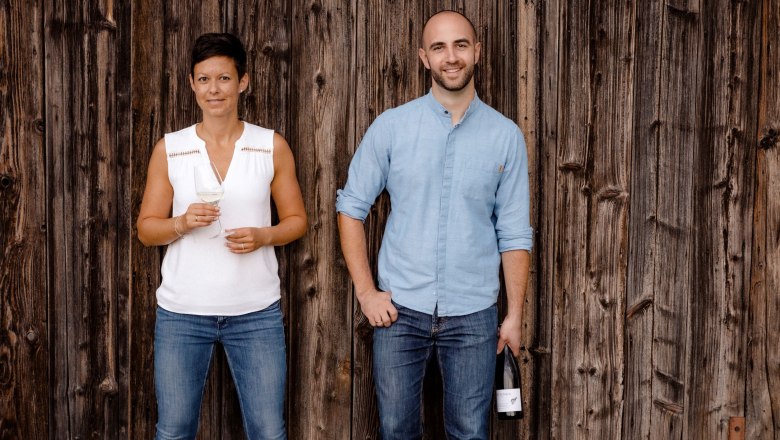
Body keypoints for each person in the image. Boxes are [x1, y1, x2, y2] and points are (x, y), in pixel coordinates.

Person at [336, 10, 533, 440]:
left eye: (461, 45)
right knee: (397, 431)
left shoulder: (505, 136)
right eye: (439, 47)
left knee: (469, 433)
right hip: (399, 312)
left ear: (476, 52)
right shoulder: (392, 127)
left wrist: (514, 315)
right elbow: (351, 209)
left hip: (474, 314)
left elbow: (515, 233)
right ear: (424, 58)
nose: (451, 57)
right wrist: (366, 293)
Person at [137, 32, 307, 440]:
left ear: (243, 82)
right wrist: (181, 223)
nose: (214, 89)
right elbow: (146, 229)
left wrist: (264, 236)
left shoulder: (270, 146)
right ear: (192, 84)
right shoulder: (171, 149)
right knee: (174, 430)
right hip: (182, 314)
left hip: (255, 313)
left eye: (224, 78)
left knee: (268, 431)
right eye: (204, 79)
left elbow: (297, 220)